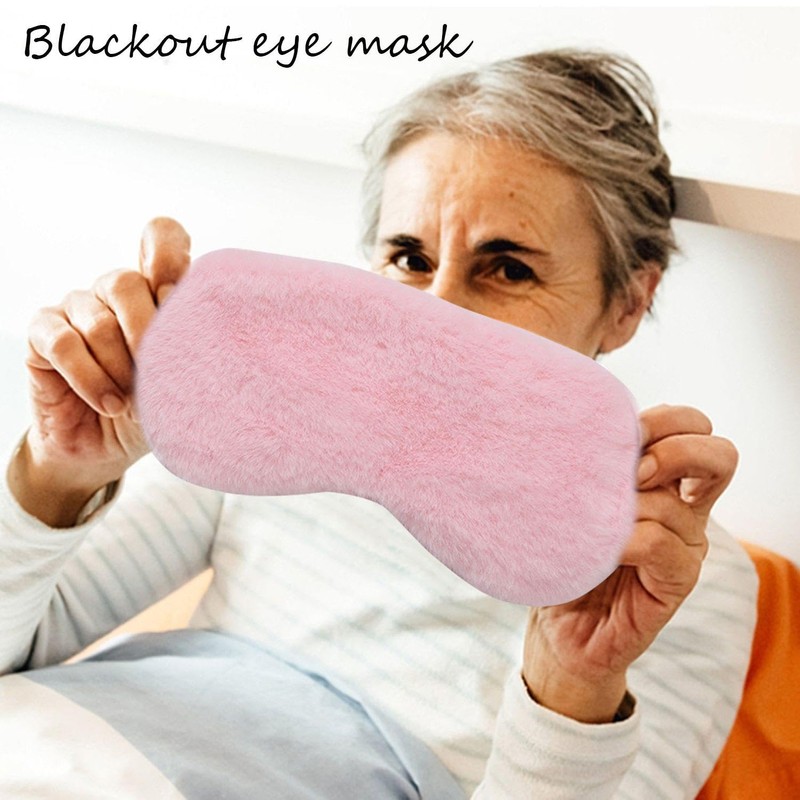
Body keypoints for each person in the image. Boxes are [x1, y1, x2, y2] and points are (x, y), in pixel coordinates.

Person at [1, 49, 757, 798]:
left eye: (508, 268)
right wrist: (59, 472)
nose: (437, 313)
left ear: (626, 303)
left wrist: (570, 685)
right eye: (408, 258)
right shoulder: (272, 422)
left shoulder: (665, 574)